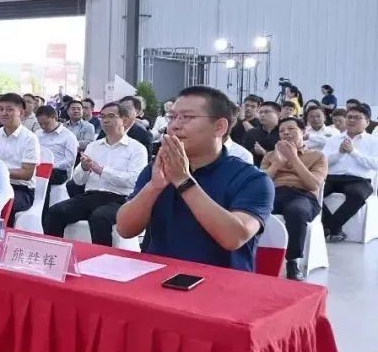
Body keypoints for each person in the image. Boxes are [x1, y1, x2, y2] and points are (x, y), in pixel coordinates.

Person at [117, 86, 274, 272]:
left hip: (221, 282)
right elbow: (125, 229)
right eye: (172, 117)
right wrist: (154, 187)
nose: (175, 126)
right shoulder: (157, 170)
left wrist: (184, 181)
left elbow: (234, 237)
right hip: (157, 276)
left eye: (187, 117)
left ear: (219, 127)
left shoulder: (252, 179)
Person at [43, 102, 148, 246]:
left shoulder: (137, 149)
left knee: (100, 218)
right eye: (102, 117)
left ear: (124, 120)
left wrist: (102, 171)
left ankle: (101, 258)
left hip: (120, 199)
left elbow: (134, 181)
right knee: (55, 212)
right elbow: (78, 181)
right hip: (91, 196)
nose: (105, 120)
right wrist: (84, 168)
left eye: (111, 116)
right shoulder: (93, 146)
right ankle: (55, 253)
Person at [261, 117, 328, 280]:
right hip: (274, 193)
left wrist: (293, 158)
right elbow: (260, 184)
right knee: (251, 208)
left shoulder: (318, 156)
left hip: (303, 195)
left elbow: (313, 185)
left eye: (291, 129)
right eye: (282, 131)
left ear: (303, 132)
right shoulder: (270, 155)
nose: (286, 133)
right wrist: (276, 164)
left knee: (296, 211)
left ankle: (292, 261)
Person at [321, 104, 378, 242]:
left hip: (359, 179)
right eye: (349, 117)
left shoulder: (374, 141)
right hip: (332, 177)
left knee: (357, 195)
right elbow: (323, 162)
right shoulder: (333, 139)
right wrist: (339, 153)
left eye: (357, 118)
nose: (352, 120)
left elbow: (375, 164)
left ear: (367, 122)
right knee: (312, 191)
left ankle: (328, 227)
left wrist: (354, 153)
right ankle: (334, 229)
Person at [0, 93, 40, 222]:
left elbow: (26, 173)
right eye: (0, 109)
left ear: (21, 113)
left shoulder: (29, 138)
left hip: (21, 190)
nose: (3, 113)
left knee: (0, 204)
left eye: (9, 109)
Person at [35, 105, 79, 195]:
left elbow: (70, 161)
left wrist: (51, 166)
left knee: (43, 176)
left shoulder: (68, 136)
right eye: (40, 124)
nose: (43, 126)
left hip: (59, 171)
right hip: (38, 167)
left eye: (46, 123)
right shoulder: (37, 134)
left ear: (55, 118)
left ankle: (43, 203)